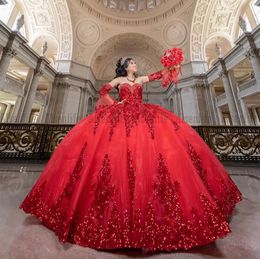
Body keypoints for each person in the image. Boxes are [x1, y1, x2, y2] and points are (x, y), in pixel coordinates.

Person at [19, 57, 242, 252]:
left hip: (143, 118)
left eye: (135, 62)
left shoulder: (141, 80)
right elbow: (103, 91)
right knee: (115, 157)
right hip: (121, 116)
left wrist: (170, 67)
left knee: (154, 154)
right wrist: (115, 103)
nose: (135, 65)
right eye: (132, 62)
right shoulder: (119, 81)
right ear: (126, 67)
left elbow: (155, 75)